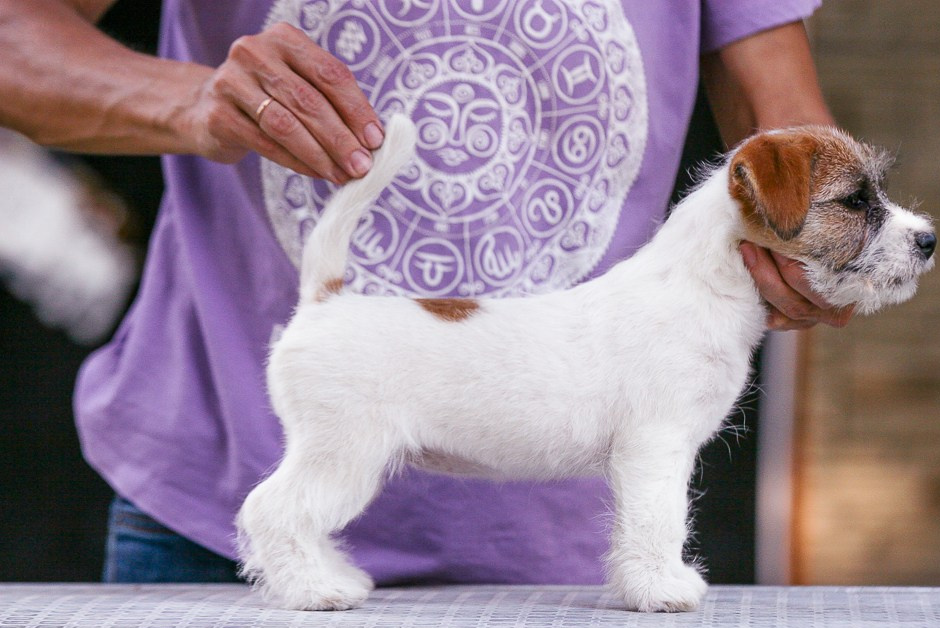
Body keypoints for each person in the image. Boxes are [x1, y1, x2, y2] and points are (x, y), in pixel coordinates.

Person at [0, 0, 851, 584]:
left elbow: (785, 125)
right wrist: (192, 101)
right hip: (205, 519)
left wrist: (830, 242)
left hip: (577, 555)